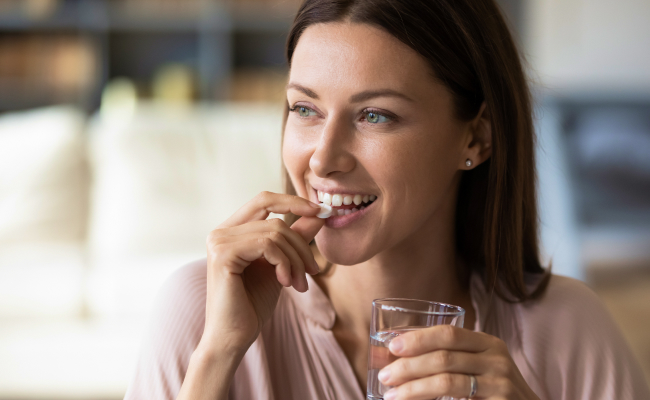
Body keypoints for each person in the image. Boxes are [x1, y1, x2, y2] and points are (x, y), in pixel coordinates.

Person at [124, 1, 650, 399]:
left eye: (375, 115)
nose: (322, 158)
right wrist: (217, 359)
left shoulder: (570, 330)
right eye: (304, 109)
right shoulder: (204, 312)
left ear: (475, 138)